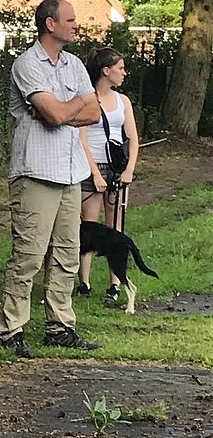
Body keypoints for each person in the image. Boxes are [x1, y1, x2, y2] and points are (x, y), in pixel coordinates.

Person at [0, 0, 102, 359]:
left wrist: (62, 109)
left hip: (71, 172)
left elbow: (93, 112)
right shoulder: (27, 64)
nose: (76, 24)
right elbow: (57, 115)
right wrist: (70, 106)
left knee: (67, 254)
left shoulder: (74, 64)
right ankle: (11, 329)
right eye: (70, 19)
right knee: (28, 255)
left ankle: (60, 327)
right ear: (50, 24)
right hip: (36, 172)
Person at [76, 48, 139, 304]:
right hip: (90, 166)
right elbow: (81, 137)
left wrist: (129, 169)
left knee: (115, 227)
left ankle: (115, 284)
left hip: (116, 168)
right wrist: (94, 173)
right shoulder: (86, 99)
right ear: (106, 71)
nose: (124, 73)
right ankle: (84, 281)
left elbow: (132, 137)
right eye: (120, 68)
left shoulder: (123, 101)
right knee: (88, 227)